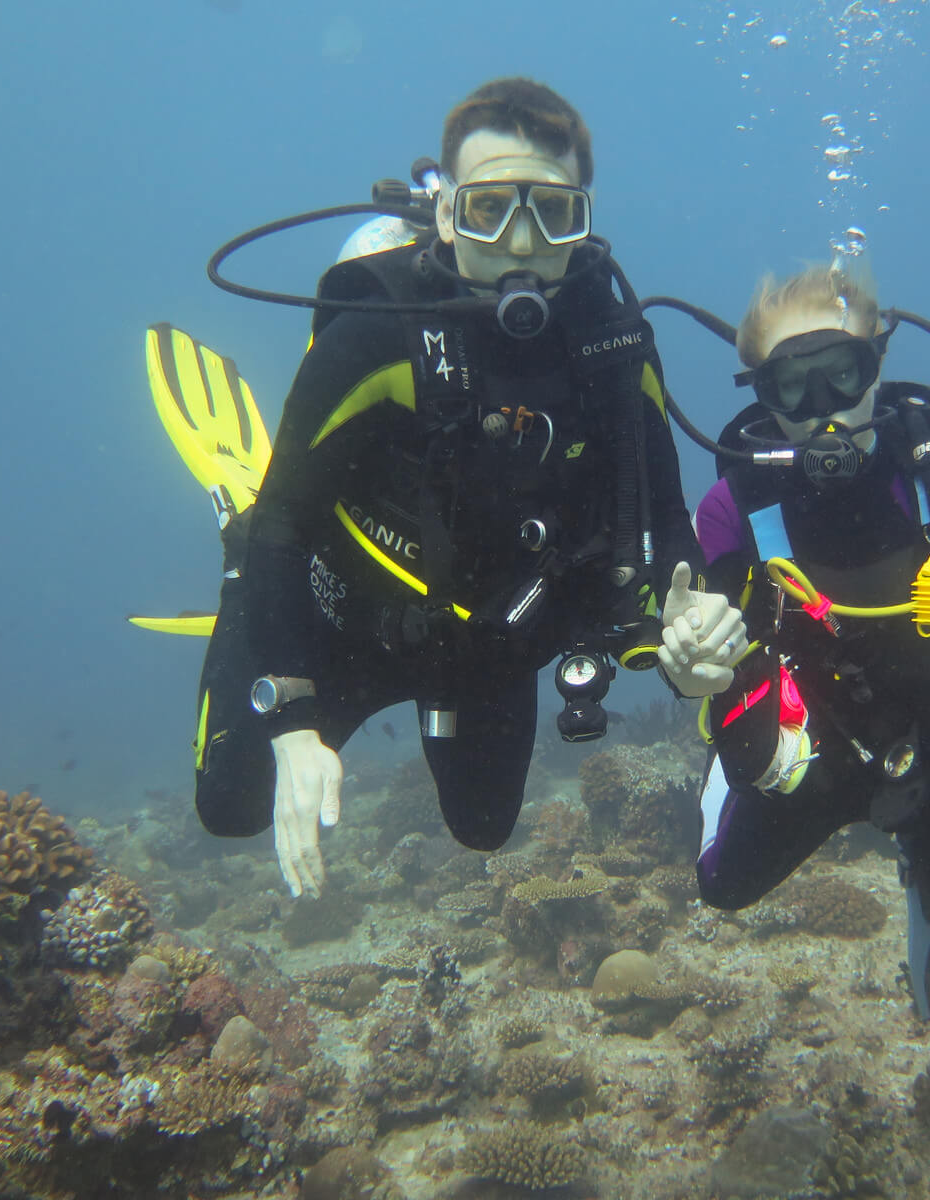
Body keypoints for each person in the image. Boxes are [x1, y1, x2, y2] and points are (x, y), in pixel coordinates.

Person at [189, 78, 740, 897]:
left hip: (486, 641)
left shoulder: (615, 350)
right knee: (228, 806)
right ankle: (234, 533)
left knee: (483, 829)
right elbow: (285, 527)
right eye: (489, 211)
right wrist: (295, 721)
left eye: (553, 213)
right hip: (342, 616)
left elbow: (667, 529)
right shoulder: (374, 336)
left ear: (584, 221)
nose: (522, 243)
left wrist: (693, 642)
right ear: (446, 215)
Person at [690, 264, 930, 1019]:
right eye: (792, 387)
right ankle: (728, 786)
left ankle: (919, 865)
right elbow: (718, 642)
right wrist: (699, 672)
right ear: (763, 396)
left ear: (877, 367)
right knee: (722, 886)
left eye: (843, 374)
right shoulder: (733, 505)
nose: (824, 410)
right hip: (812, 751)